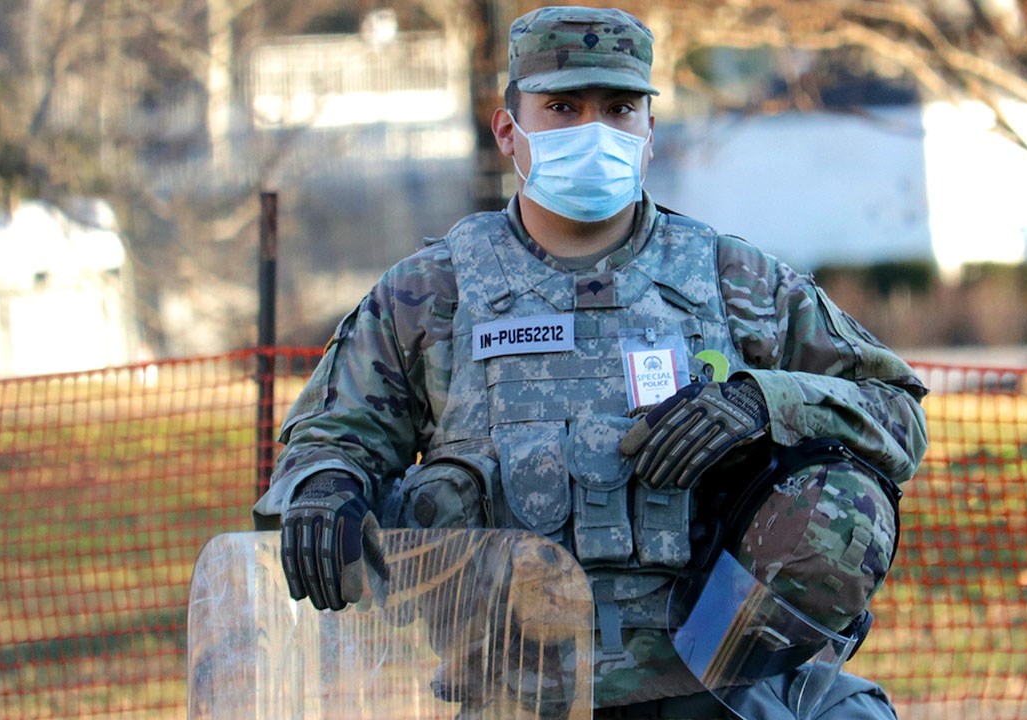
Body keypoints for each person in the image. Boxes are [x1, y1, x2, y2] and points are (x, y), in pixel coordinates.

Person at [253, 5, 929, 719]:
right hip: (516, 690)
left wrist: (765, 401)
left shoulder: (735, 281)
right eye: (564, 106)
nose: (594, 130)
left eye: (619, 108)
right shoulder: (433, 293)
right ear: (508, 130)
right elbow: (329, 442)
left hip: (719, 684)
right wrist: (326, 486)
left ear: (649, 132)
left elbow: (896, 410)